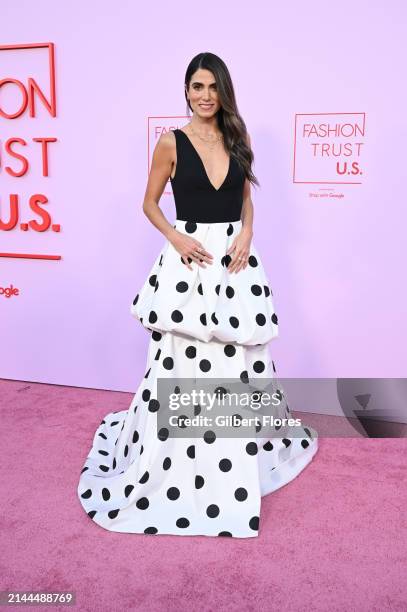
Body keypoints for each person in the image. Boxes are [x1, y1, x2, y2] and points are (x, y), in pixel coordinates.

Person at [77, 52, 319, 538]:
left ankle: (230, 452)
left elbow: (247, 200)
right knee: (183, 359)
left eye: (211, 86)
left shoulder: (238, 137)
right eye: (195, 86)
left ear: (223, 90)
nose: (203, 95)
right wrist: (176, 237)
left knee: (236, 361)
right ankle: (181, 455)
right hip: (189, 262)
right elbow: (148, 202)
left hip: (233, 260)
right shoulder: (171, 142)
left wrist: (247, 234)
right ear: (185, 90)